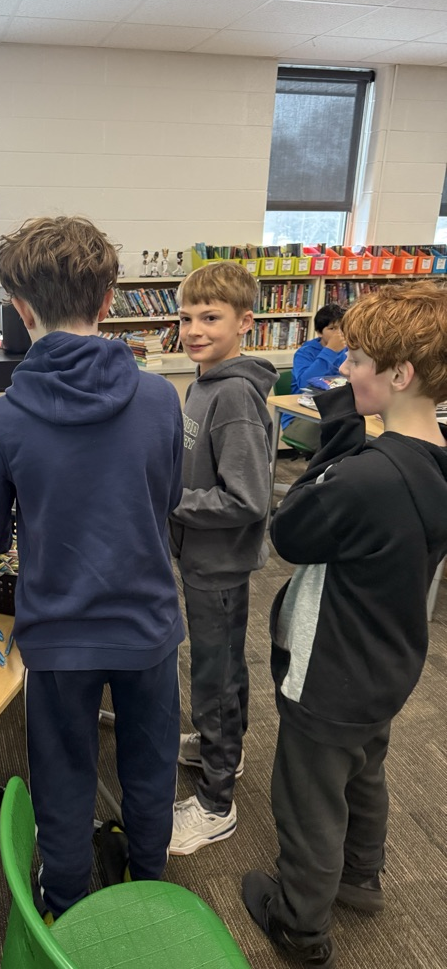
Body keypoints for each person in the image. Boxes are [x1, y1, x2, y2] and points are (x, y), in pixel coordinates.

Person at [0, 216, 184, 920]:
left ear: (20, 308)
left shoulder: (2, 418)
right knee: (149, 771)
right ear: (109, 297)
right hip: (147, 623)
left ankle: (66, 902)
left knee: (63, 776)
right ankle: (148, 887)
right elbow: (167, 498)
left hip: (57, 633)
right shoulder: (159, 398)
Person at [242, 281, 447, 969]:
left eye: (357, 360)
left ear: (400, 374)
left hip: (330, 672)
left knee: (308, 800)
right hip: (388, 664)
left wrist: (335, 437)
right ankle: (361, 877)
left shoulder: (367, 475)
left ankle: (301, 926)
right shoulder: (435, 460)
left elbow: (291, 533)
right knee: (366, 772)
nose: (345, 370)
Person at [168, 261, 278, 856]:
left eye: (211, 318)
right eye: (186, 317)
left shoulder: (232, 393)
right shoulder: (203, 382)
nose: (194, 329)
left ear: (245, 323)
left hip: (219, 563)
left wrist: (172, 500)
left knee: (213, 674)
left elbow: (247, 498)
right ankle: (222, 750)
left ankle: (216, 802)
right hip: (203, 556)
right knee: (221, 666)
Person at [280, 303, 347, 450]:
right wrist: (330, 351)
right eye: (332, 328)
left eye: (343, 328)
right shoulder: (305, 353)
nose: (339, 334)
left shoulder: (351, 352)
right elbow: (305, 383)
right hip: (300, 416)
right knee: (340, 441)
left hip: (336, 412)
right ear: (319, 331)